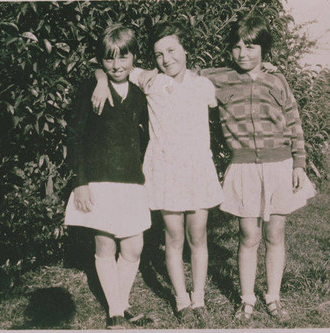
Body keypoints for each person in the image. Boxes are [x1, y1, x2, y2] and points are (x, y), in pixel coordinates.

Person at [92, 21, 223, 325]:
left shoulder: (203, 85)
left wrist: (268, 68)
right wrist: (100, 79)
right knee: (174, 238)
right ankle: (181, 301)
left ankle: (199, 298)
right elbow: (108, 65)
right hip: (167, 171)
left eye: (172, 50)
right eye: (159, 54)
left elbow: (234, 77)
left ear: (185, 48)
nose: (167, 59)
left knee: (198, 236)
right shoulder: (149, 80)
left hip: (198, 170)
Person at [199, 14, 316, 322]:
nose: (243, 53)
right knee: (248, 234)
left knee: (275, 233)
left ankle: (274, 297)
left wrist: (299, 163)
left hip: (280, 164)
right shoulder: (219, 79)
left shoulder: (277, 80)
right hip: (244, 166)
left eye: (251, 47)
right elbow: (184, 74)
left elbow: (294, 121)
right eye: (237, 47)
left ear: (264, 50)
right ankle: (247, 298)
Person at [64, 23, 151, 330]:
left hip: (131, 181)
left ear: (134, 58)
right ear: (101, 61)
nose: (116, 65)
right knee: (105, 246)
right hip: (99, 181)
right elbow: (75, 136)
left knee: (133, 247)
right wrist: (80, 182)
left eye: (123, 58)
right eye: (109, 59)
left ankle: (120, 301)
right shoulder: (91, 88)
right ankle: (116, 309)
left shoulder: (141, 95)